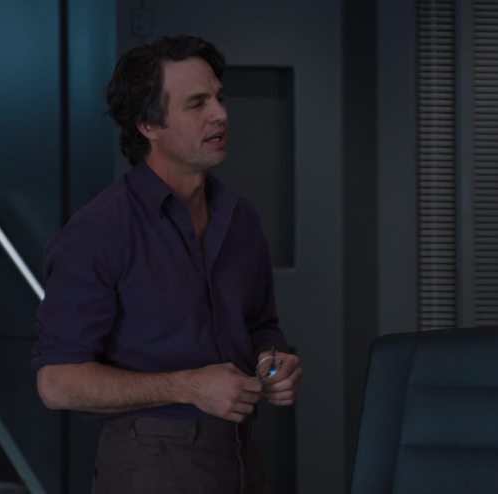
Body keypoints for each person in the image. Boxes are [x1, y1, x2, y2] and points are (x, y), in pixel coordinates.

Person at [31, 35, 301, 494]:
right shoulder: (97, 231)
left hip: (241, 455)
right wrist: (188, 387)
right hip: (148, 463)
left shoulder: (241, 217)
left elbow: (262, 326)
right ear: (148, 125)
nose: (220, 114)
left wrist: (274, 362)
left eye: (219, 97)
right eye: (197, 104)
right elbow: (57, 383)